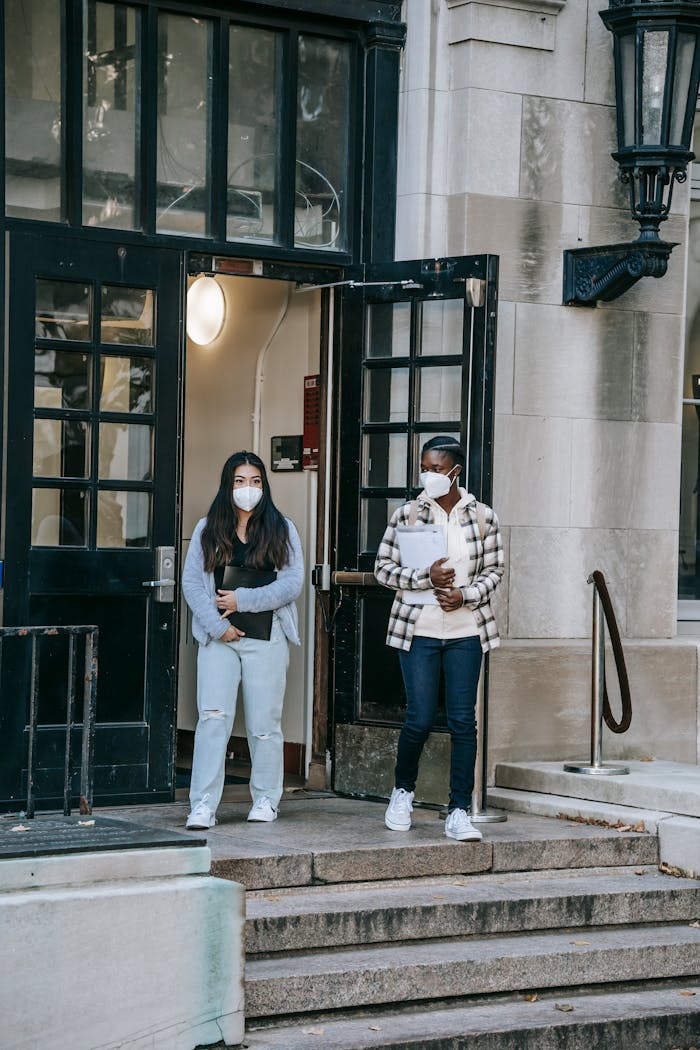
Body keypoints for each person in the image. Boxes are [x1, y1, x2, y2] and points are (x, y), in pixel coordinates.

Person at [374, 436, 504, 842]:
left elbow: (495, 571)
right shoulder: (407, 515)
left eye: (436, 468)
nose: (428, 475)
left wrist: (464, 594)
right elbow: (383, 568)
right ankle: (402, 793)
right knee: (420, 717)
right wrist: (425, 578)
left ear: (455, 471)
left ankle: (459, 810)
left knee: (464, 722)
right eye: (424, 468)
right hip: (420, 629)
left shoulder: (483, 517)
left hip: (467, 630)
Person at [182, 451, 304, 830]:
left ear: (264, 487)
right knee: (213, 719)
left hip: (266, 638)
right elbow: (192, 584)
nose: (247, 489)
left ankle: (266, 799)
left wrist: (242, 600)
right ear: (227, 485)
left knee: (264, 724)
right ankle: (203, 805)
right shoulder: (208, 528)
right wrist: (220, 628)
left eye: (254, 481)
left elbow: (292, 583)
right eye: (239, 481)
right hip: (220, 638)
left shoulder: (281, 528)